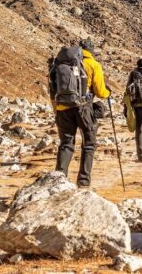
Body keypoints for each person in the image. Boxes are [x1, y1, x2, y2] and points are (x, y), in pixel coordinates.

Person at [48, 39, 110, 187]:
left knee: (66, 144)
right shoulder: (93, 64)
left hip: (63, 108)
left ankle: (58, 181)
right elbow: (101, 92)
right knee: (89, 144)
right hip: (84, 108)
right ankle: (83, 181)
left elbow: (52, 89)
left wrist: (55, 110)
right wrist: (108, 92)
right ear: (92, 51)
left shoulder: (60, 64)